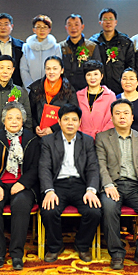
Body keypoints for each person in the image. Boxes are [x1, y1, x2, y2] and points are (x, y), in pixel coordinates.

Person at [96, 99, 138, 271]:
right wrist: (108, 184)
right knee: (109, 207)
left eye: (125, 113)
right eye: (117, 113)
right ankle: (117, 253)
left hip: (136, 186)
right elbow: (100, 164)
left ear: (132, 117)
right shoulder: (102, 138)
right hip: (113, 185)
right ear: (112, 117)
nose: (122, 117)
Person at [39, 104, 102, 263]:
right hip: (57, 185)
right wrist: (49, 191)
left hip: (81, 185)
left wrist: (91, 190)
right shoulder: (48, 141)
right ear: (59, 121)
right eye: (66, 119)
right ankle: (55, 246)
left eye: (74, 119)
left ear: (80, 122)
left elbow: (93, 167)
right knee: (49, 210)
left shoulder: (87, 141)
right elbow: (44, 168)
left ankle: (82, 245)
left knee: (94, 211)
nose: (70, 123)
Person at [0, 102, 40, 270]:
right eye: (10, 118)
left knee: (21, 204)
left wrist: (22, 183)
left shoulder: (31, 139)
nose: (14, 121)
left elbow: (35, 167)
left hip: (23, 185)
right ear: (4, 120)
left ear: (23, 121)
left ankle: (16, 254)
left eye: (18, 118)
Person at [0, 55, 32, 141]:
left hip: (16, 141)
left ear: (13, 70)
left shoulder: (22, 92)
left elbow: (28, 120)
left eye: (8, 68)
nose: (5, 71)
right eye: (1, 68)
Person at [28, 56, 78, 138]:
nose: (51, 72)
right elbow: (30, 112)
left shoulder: (69, 90)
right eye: (48, 69)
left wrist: (53, 129)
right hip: (38, 135)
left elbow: (73, 114)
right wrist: (35, 126)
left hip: (61, 136)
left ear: (62, 70)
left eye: (55, 69)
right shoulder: (36, 88)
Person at [89, 8, 135, 94]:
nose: (108, 22)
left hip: (120, 88)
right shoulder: (93, 42)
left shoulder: (125, 42)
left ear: (115, 22)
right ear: (100, 22)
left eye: (111, 19)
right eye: (105, 19)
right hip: (99, 88)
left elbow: (130, 65)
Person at [59, 14, 102, 91]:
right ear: (66, 28)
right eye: (70, 25)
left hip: (86, 89)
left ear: (82, 27)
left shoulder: (91, 46)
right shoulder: (60, 47)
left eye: (76, 25)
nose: (73, 28)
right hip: (65, 89)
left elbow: (97, 69)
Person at [20, 14, 62, 91]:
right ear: (34, 30)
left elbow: (57, 69)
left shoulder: (56, 47)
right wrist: (31, 88)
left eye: (45, 27)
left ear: (49, 30)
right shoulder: (26, 47)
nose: (42, 30)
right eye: (38, 27)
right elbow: (24, 69)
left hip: (51, 89)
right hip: (30, 89)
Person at [76, 60, 116, 138]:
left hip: (104, 138)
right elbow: (75, 117)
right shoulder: (78, 95)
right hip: (81, 138)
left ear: (101, 76)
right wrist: (80, 136)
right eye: (89, 74)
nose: (92, 78)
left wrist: (101, 137)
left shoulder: (110, 96)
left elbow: (112, 119)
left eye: (95, 74)